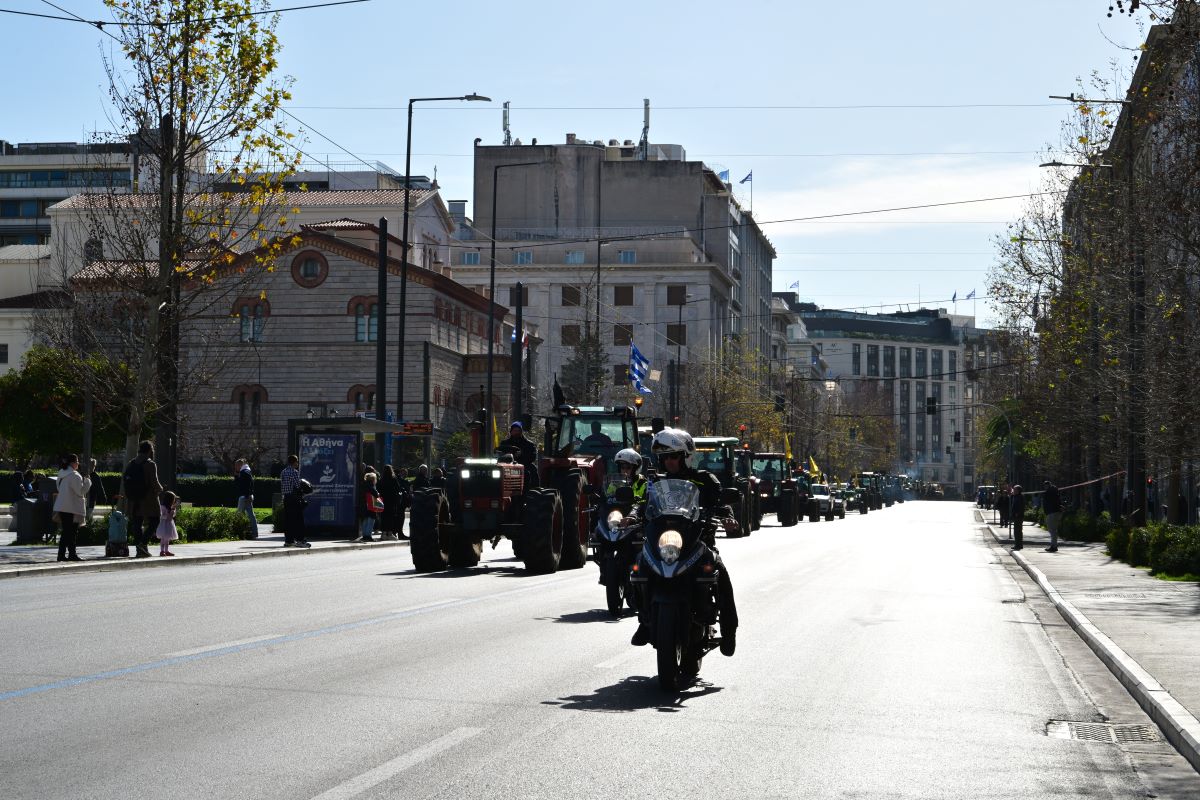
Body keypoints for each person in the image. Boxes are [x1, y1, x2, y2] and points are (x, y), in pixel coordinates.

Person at [631, 427, 738, 657]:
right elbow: (644, 503)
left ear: (685, 456)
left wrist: (727, 515)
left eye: (673, 456)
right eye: (665, 457)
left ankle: (730, 632)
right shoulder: (655, 482)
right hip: (663, 543)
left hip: (697, 542)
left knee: (719, 573)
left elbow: (720, 502)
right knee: (639, 567)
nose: (668, 461)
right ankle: (645, 619)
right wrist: (632, 515)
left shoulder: (704, 479)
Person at [125, 440, 164, 558]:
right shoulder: (150, 464)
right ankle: (143, 544)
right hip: (148, 499)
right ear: (149, 450)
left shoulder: (131, 463)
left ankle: (140, 550)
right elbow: (154, 482)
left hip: (134, 499)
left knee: (137, 523)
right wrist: (161, 489)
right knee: (155, 521)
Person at [52, 454, 91, 562]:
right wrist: (87, 482)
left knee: (66, 531)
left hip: (62, 506)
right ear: (72, 463)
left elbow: (60, 489)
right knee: (72, 532)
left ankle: (62, 554)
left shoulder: (61, 474)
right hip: (72, 507)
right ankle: (71, 554)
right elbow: (80, 491)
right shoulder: (74, 475)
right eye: (77, 461)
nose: (78, 463)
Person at [280, 455, 310, 548]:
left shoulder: (283, 472)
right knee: (298, 520)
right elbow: (297, 485)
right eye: (297, 462)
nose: (297, 463)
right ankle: (300, 540)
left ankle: (289, 540)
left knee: (288, 520)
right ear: (294, 462)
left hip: (286, 498)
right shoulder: (294, 472)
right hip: (294, 499)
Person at [233, 459, 259, 540]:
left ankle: (238, 532)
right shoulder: (246, 472)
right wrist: (237, 476)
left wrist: (247, 496)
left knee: (239, 514)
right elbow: (246, 484)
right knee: (251, 514)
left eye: (236, 466)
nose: (235, 467)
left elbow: (247, 485)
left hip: (244, 497)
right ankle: (254, 533)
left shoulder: (244, 472)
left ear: (240, 465)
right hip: (246, 496)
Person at [378, 465, 403, 541]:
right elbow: (398, 489)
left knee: (383, 517)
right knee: (391, 517)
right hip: (391, 501)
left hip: (383, 501)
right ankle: (389, 533)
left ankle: (383, 534)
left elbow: (378, 489)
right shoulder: (393, 479)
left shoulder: (381, 480)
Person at [357, 471, 382, 542]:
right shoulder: (371, 485)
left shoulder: (363, 484)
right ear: (373, 479)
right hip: (370, 505)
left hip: (363, 505)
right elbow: (376, 495)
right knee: (371, 521)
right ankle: (368, 536)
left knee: (365, 520)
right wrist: (378, 493)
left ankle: (364, 535)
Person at [156, 490, 179, 556]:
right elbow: (161, 515)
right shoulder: (162, 507)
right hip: (163, 524)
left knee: (167, 538)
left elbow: (173, 516)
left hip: (169, 523)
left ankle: (166, 550)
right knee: (163, 538)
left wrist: (173, 510)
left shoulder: (171, 507)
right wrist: (167, 516)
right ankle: (162, 551)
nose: (174, 501)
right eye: (173, 499)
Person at [1043, 480, 1063, 553]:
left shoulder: (1049, 492)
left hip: (1052, 512)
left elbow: (1049, 502)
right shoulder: (1054, 491)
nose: (1045, 487)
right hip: (1054, 512)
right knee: (1053, 530)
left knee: (1052, 530)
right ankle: (1054, 545)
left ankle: (1053, 546)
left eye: (1045, 486)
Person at [1011, 484, 1026, 551]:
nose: (1013, 490)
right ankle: (1018, 544)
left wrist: (1017, 513)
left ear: (1018, 490)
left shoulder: (1020, 497)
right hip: (1016, 516)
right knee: (1017, 531)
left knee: (1017, 531)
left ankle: (1018, 545)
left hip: (1018, 516)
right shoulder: (1015, 496)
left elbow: (1020, 507)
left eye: (1014, 489)